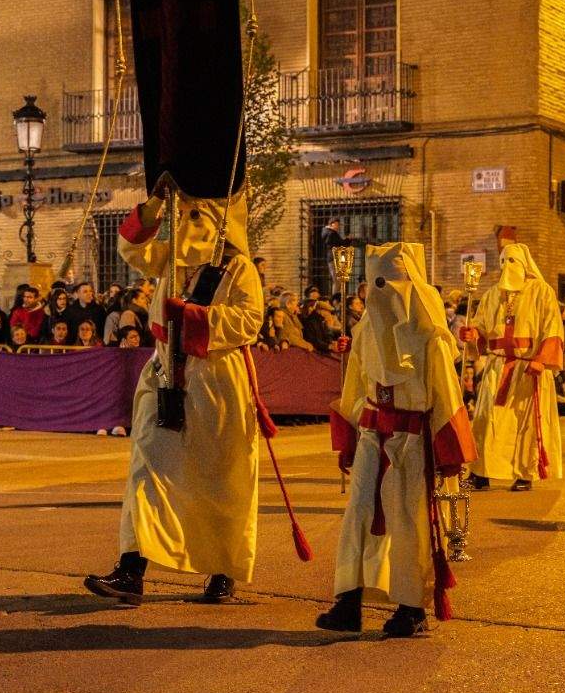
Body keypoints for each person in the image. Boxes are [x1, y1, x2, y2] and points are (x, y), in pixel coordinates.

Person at [85, 190, 301, 606]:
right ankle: (131, 570)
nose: (181, 221)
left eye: (191, 214)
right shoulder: (170, 259)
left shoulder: (238, 268)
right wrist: (151, 206)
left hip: (216, 381)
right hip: (166, 371)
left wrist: (191, 317)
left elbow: (249, 320)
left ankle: (223, 573)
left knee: (220, 479)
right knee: (146, 470)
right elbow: (132, 248)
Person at [317, 242, 475, 637]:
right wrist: (349, 438)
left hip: (411, 438)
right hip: (372, 432)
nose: (381, 294)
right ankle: (348, 600)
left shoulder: (429, 335)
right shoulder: (365, 330)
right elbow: (355, 387)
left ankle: (411, 607)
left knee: (409, 522)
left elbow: (445, 392)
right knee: (359, 517)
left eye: (389, 284)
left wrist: (450, 452)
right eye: (375, 285)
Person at [465, 243, 564, 490]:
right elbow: (482, 327)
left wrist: (541, 359)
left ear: (523, 264)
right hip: (497, 368)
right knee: (487, 420)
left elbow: (552, 328)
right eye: (502, 261)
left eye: (512, 261)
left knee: (524, 423)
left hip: (527, 368)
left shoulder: (542, 291)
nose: (506, 267)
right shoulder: (491, 295)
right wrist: (473, 334)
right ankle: (481, 471)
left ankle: (524, 473)